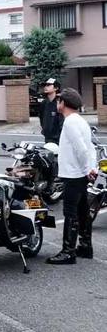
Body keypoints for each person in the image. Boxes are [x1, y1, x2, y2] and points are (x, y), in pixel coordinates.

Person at [46, 88, 97, 265]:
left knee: (70, 211)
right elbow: (89, 147)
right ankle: (85, 246)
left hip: (74, 173)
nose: (57, 104)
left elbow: (81, 149)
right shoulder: (80, 121)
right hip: (80, 172)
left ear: (63, 104)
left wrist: (86, 169)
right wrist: (91, 168)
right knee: (82, 209)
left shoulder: (70, 123)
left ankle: (68, 251)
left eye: (59, 101)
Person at [39, 78, 64, 144]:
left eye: (48, 85)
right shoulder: (44, 103)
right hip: (47, 137)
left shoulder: (59, 103)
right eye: (45, 85)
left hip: (58, 138)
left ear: (56, 88)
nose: (46, 87)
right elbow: (41, 118)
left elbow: (62, 121)